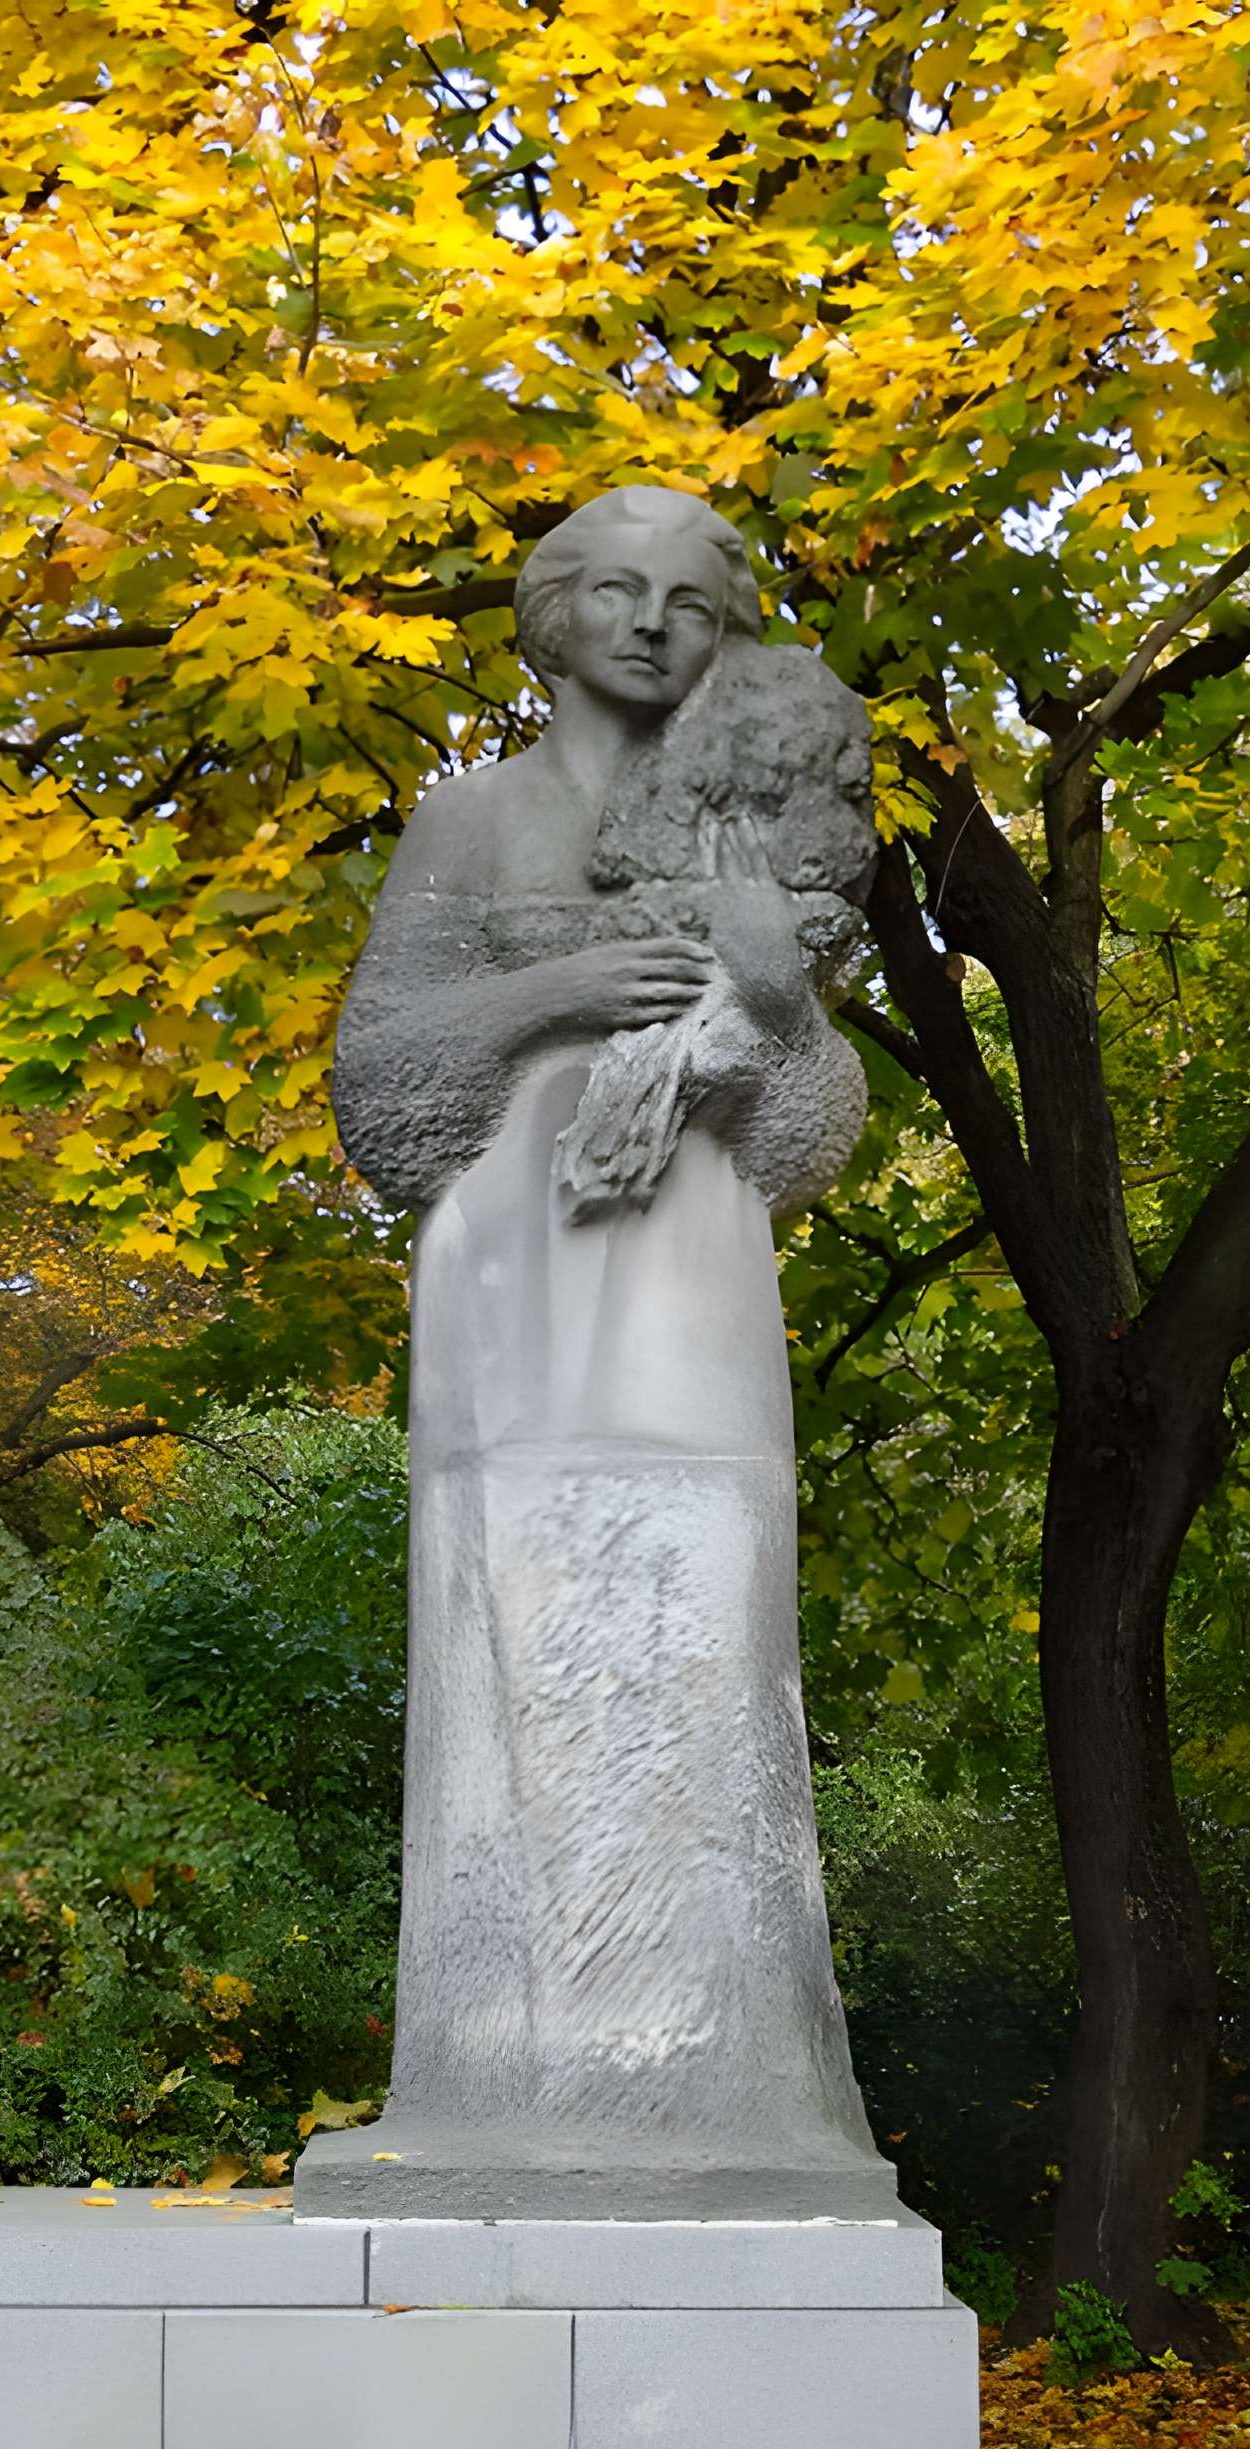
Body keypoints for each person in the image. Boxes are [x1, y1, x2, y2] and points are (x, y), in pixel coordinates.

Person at [295, 484, 898, 2221]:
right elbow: (379, 1088)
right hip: (509, 1292)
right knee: (512, 1636)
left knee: (706, 1636)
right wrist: (552, 998)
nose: (649, 623)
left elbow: (806, 1142)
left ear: (726, 633)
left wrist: (770, 992)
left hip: (695, 1294)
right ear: (552, 616)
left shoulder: (755, 821)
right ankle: (492, 2078)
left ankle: (720, 2075)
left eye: (690, 602)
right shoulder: (473, 818)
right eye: (619, 591)